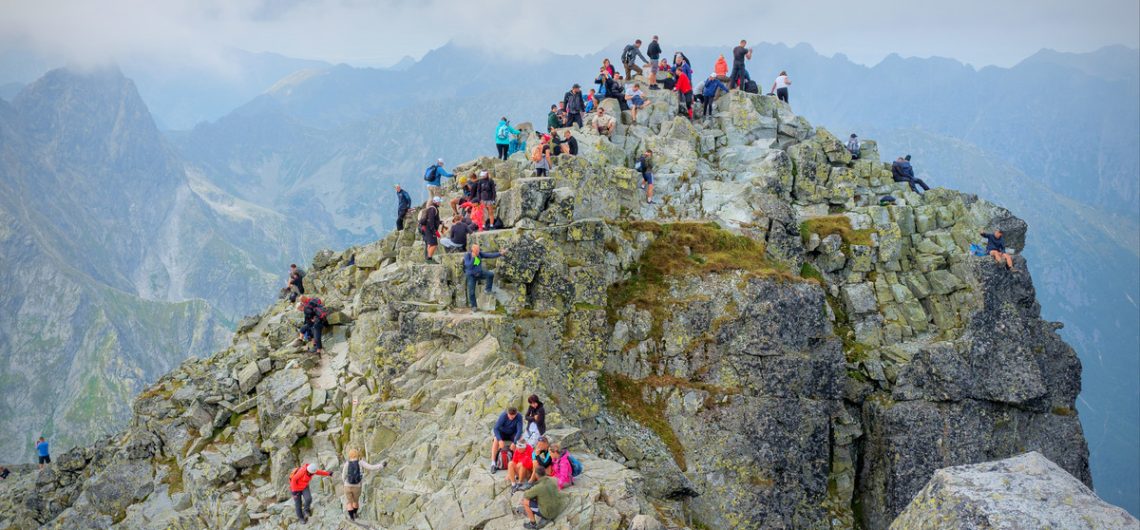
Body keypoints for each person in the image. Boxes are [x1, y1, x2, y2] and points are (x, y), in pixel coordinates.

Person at [342, 449, 384, 521]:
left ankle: (351, 517)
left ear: (350, 455)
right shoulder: (360, 462)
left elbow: (343, 475)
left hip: (347, 486)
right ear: (357, 455)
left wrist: (345, 483)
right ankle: (355, 514)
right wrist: (381, 465)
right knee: (355, 501)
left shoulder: (347, 463)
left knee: (349, 502)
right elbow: (371, 467)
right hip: (357, 486)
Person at [465, 243, 505, 311]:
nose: (478, 252)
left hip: (480, 273)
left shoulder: (480, 254)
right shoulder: (467, 255)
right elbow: (468, 266)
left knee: (490, 274)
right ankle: (474, 306)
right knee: (471, 291)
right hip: (471, 276)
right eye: (476, 250)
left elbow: (490, 255)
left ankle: (487, 290)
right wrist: (473, 258)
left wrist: (500, 253)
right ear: (472, 250)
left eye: (478, 250)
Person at [491, 407, 524, 472]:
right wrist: (500, 440)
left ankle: (516, 463)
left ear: (516, 414)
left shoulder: (519, 416)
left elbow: (519, 431)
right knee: (495, 440)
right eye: (510, 416)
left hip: (512, 433)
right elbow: (496, 428)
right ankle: (493, 463)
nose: (511, 418)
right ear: (507, 413)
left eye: (513, 417)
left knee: (520, 439)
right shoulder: (503, 416)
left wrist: (514, 443)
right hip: (502, 433)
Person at [419, 196, 443, 262]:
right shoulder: (432, 209)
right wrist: (434, 231)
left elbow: (433, 220)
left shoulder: (432, 208)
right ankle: (429, 259)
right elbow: (431, 220)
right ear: (436, 202)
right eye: (439, 202)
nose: (440, 203)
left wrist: (440, 222)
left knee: (430, 244)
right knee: (434, 244)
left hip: (427, 229)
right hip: (430, 229)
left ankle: (428, 258)